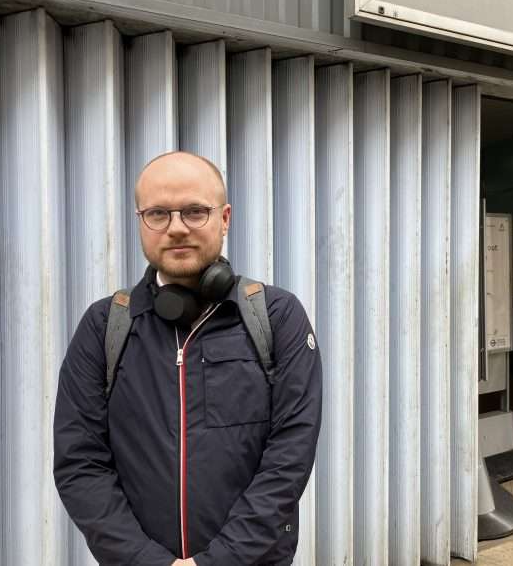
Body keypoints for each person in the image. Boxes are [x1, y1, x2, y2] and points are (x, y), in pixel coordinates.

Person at [54, 151, 322, 565]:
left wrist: (219, 561)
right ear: (140, 221)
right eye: (158, 213)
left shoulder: (275, 317)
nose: (176, 228)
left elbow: (289, 456)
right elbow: (80, 464)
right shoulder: (104, 325)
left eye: (195, 211)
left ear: (225, 218)